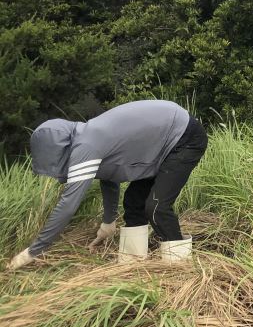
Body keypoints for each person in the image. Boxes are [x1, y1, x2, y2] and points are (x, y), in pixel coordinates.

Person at [6, 99, 208, 270]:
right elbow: (110, 178)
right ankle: (132, 268)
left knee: (156, 207)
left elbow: (67, 206)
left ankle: (179, 270)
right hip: (159, 144)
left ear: (57, 153)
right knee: (133, 202)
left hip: (184, 137)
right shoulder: (85, 138)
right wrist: (108, 223)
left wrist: (34, 251)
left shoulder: (86, 146)